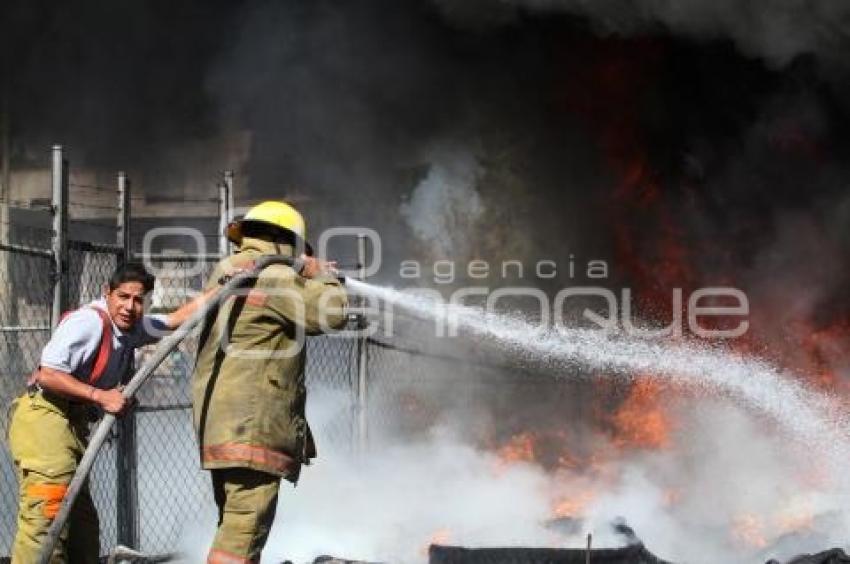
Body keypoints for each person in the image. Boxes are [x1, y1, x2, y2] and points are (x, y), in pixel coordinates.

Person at [7, 262, 225, 563]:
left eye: (138, 300)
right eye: (123, 297)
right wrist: (100, 396)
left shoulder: (130, 329)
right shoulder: (89, 322)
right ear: (106, 292)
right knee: (48, 516)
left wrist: (226, 285)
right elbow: (48, 375)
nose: (129, 306)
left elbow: (175, 320)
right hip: (45, 417)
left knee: (82, 526)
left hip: (72, 422)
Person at [192, 201, 348, 564]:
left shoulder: (228, 270)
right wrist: (322, 275)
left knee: (234, 525)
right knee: (243, 532)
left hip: (222, 420)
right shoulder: (273, 276)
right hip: (253, 423)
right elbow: (331, 313)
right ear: (284, 241)